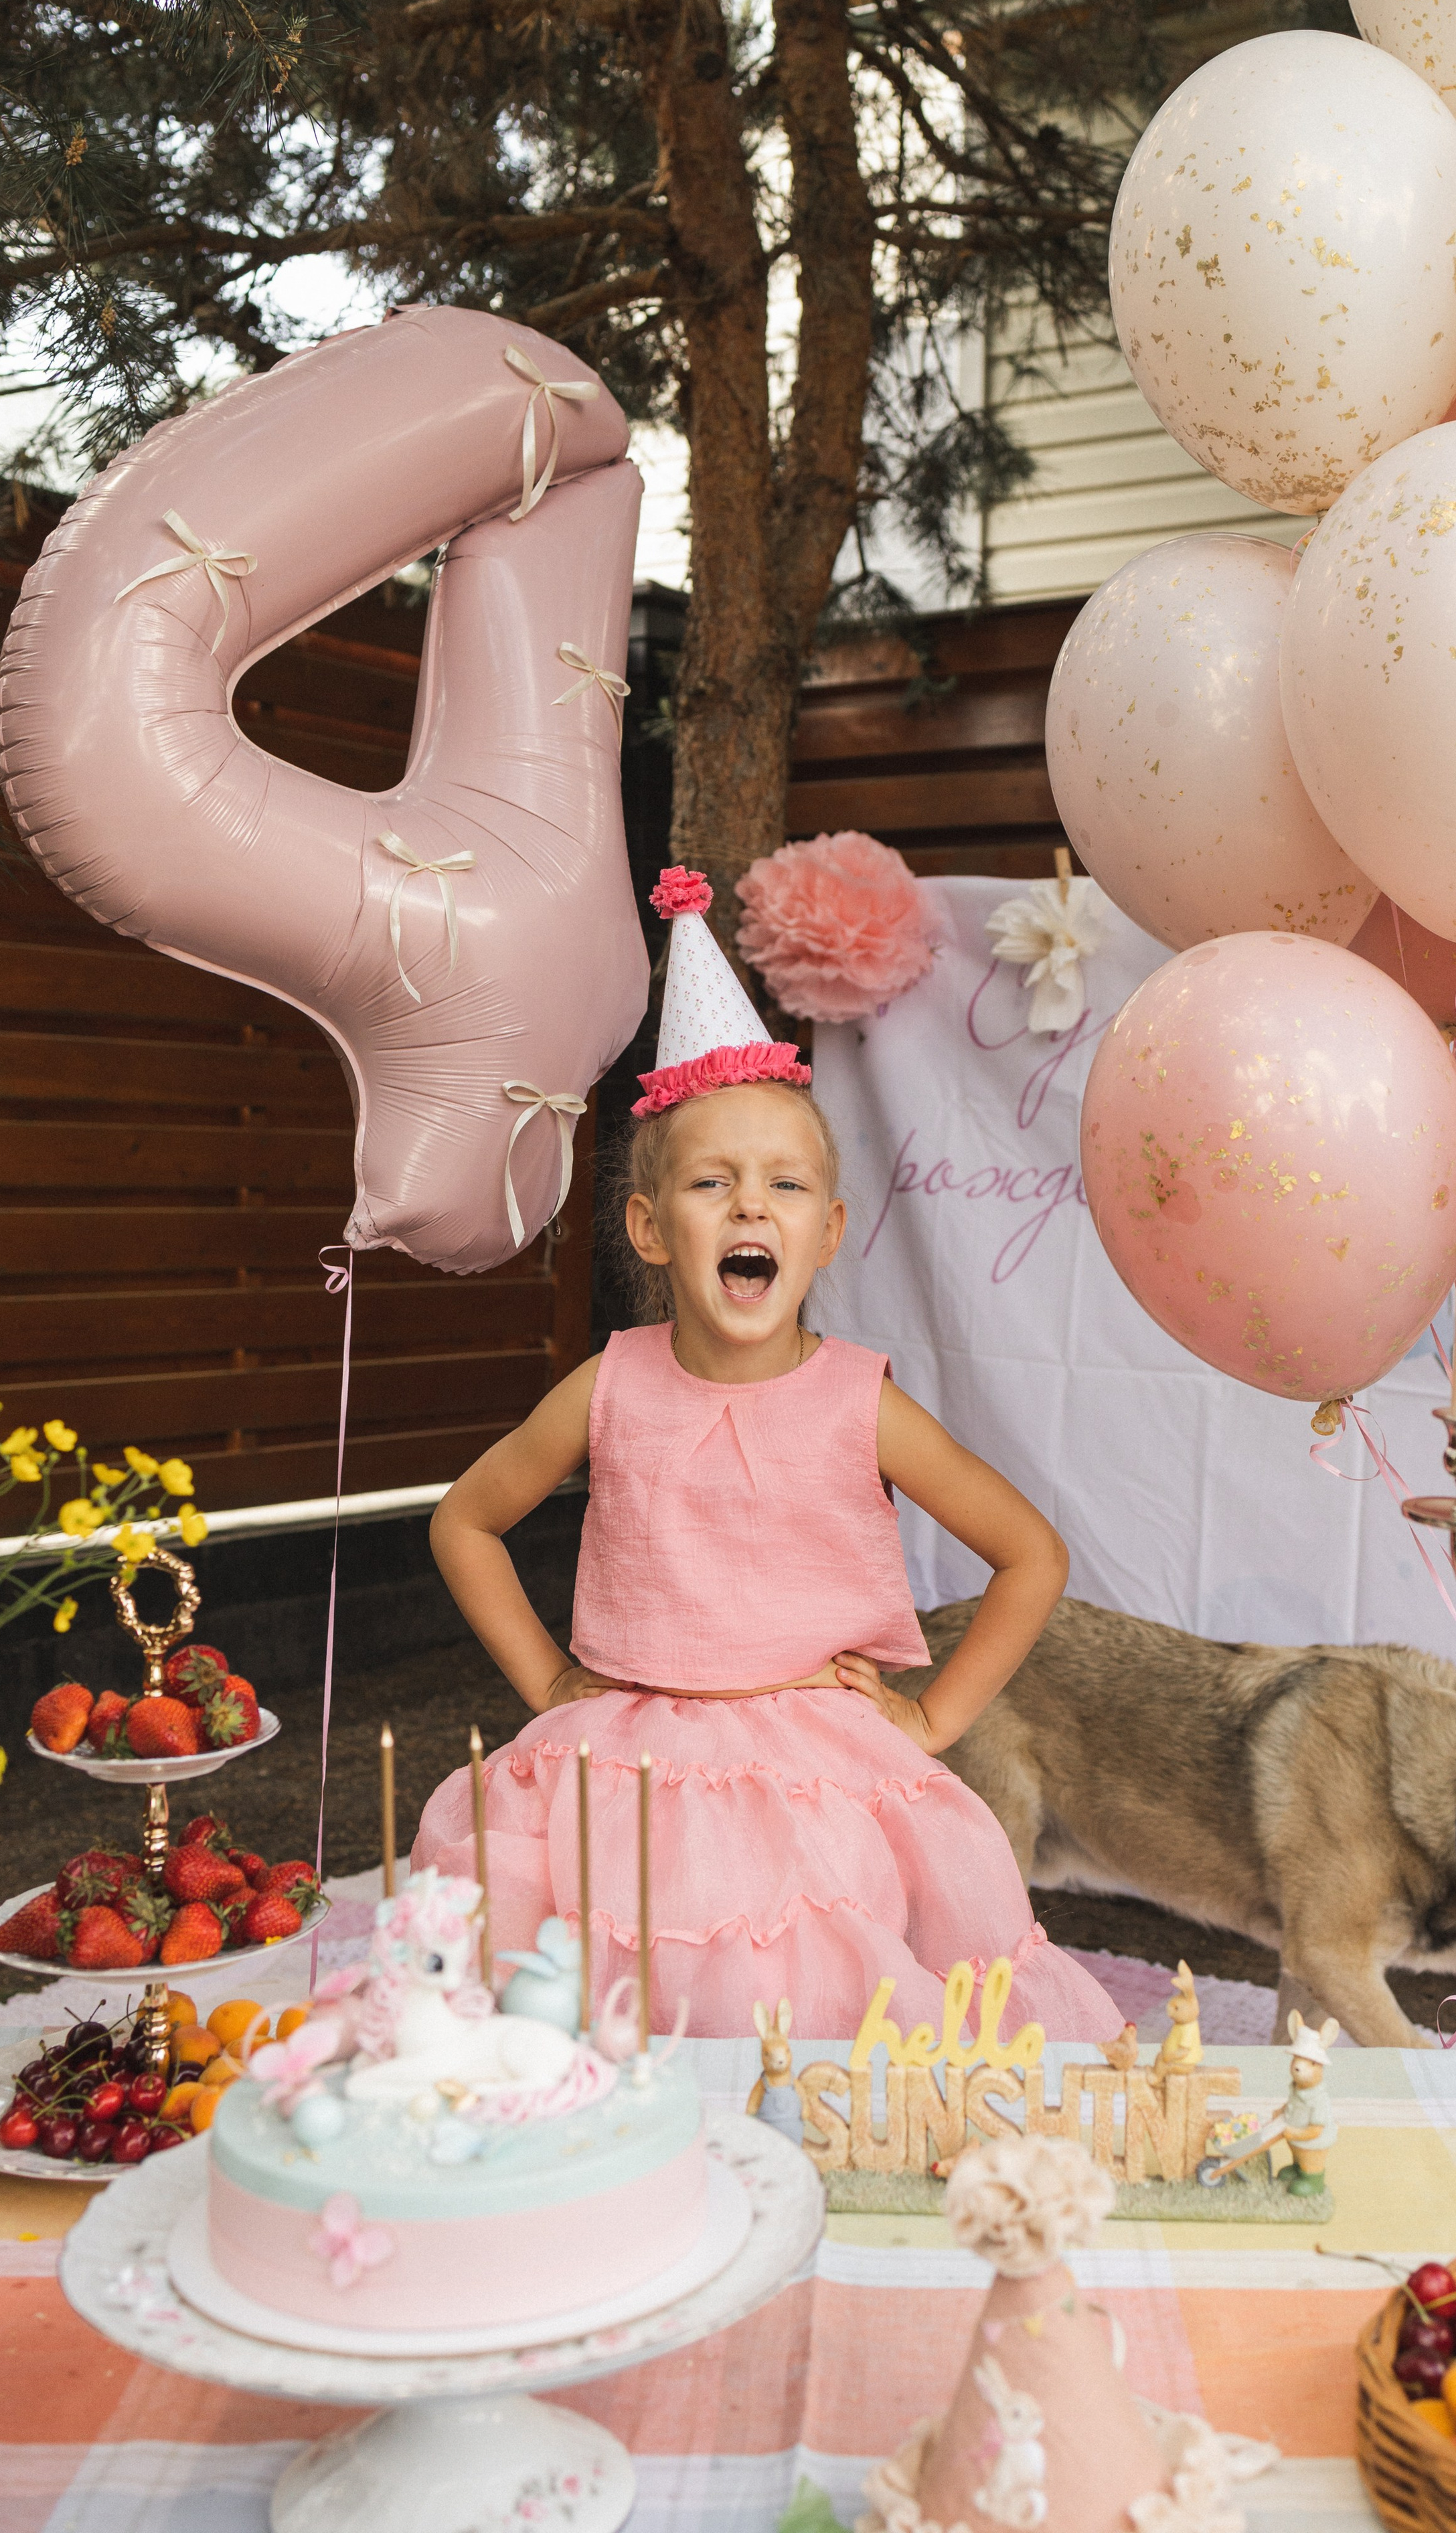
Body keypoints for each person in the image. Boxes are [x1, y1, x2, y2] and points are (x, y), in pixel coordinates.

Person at [412, 868, 1125, 2042]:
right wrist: (548, 1683)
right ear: (651, 1228)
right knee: (586, 2009)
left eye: (786, 1185)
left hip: (817, 1771)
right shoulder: (611, 1385)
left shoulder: (861, 1404)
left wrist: (937, 1717)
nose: (752, 1206)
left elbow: (1030, 1555)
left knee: (798, 1999)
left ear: (827, 1231)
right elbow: (465, 1521)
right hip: (627, 1766)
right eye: (712, 1183)